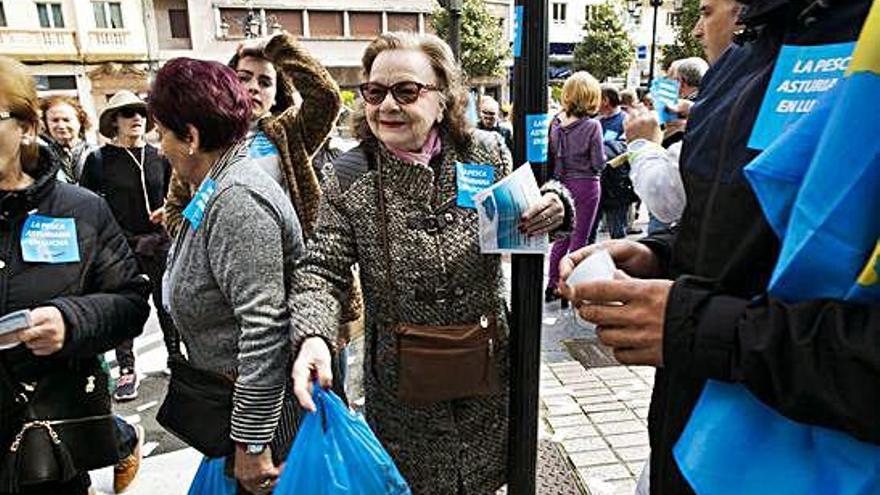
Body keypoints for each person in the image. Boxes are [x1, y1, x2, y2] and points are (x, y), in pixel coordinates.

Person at [559, 1, 878, 493]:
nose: (695, 23)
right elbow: (726, 219)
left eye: (704, 11)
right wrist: (659, 254)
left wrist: (697, 325)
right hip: (688, 438)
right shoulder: (746, 52)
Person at [287, 32, 573, 495]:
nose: (387, 106)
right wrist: (314, 336)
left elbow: (527, 208)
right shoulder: (349, 173)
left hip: (487, 371)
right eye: (375, 92)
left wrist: (556, 204)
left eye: (406, 91)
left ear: (443, 99)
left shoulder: (485, 151)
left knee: (486, 480)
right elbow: (322, 266)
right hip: (404, 388)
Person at [151, 57, 304, 495]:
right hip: (235, 410)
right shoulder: (217, 186)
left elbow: (264, 328)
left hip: (266, 428)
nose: (159, 145)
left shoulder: (237, 200)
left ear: (192, 137)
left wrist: (252, 443)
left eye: (162, 132)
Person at [0, 56, 150, 495]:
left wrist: (71, 320)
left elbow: (129, 302)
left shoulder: (79, 210)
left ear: (27, 127)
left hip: (47, 448)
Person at [79, 90, 180, 402]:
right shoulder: (98, 160)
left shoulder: (160, 156)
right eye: (127, 113)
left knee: (167, 303)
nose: (136, 118)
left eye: (140, 112)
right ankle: (126, 369)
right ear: (114, 121)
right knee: (125, 306)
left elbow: (178, 195)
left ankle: (176, 359)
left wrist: (169, 211)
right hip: (119, 246)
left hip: (159, 243)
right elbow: (86, 205)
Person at [545, 71, 605, 308]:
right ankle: (567, 287)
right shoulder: (593, 126)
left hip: (562, 184)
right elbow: (598, 162)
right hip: (587, 185)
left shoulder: (556, 124)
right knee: (579, 238)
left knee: (561, 237)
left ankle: (551, 284)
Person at [39, 95, 95, 183]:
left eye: (66, 120)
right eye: (55, 120)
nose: (61, 126)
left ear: (80, 121)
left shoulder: (96, 154)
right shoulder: (42, 158)